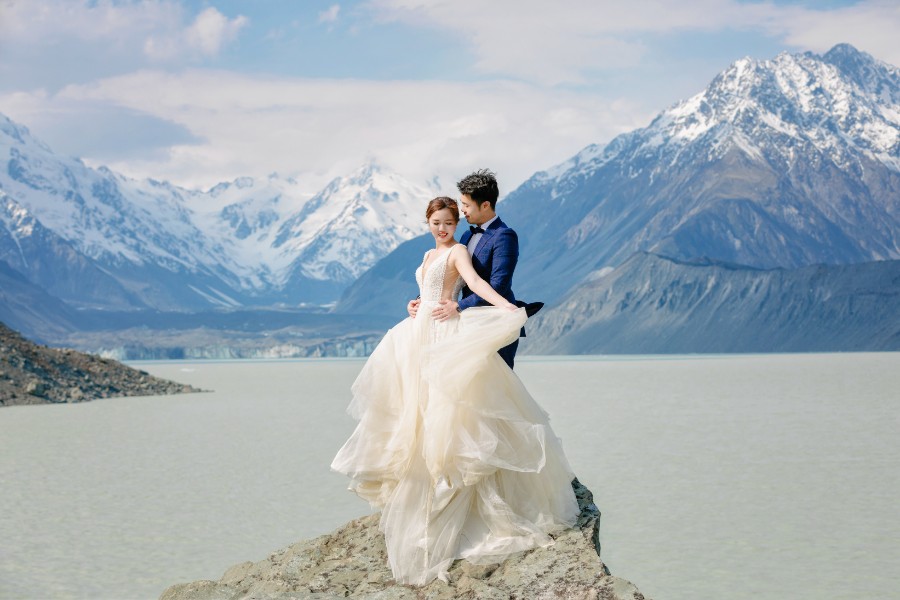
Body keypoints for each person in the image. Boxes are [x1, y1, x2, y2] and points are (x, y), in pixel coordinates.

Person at [332, 196, 579, 586]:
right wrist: (415, 304)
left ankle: (453, 492)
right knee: (416, 409)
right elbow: (428, 290)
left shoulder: (460, 249)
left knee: (450, 411)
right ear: (427, 223)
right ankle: (422, 486)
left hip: (444, 332)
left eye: (449, 221)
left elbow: (479, 282)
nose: (444, 228)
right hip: (418, 332)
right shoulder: (429, 255)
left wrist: (507, 309)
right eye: (437, 222)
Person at [409, 169, 524, 369]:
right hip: (464, 324)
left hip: (493, 321)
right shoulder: (465, 237)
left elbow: (499, 284)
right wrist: (421, 301)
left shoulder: (504, 236)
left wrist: (460, 305)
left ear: (485, 204)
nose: (462, 210)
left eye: (466, 205)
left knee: (494, 387)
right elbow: (450, 276)